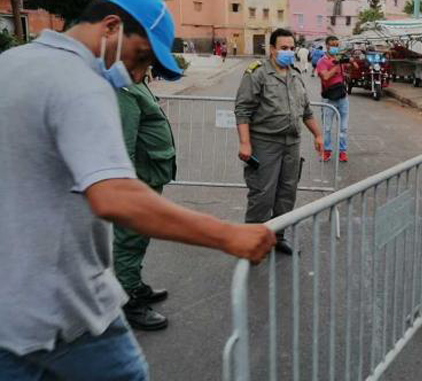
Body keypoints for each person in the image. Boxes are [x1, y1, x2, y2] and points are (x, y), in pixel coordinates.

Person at [0, 0, 275, 378]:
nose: (137, 74)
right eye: (141, 56)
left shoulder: (12, 64)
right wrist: (229, 235)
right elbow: (115, 195)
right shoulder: (83, 82)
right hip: (64, 308)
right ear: (111, 27)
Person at [235, 28, 324, 256]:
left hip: (291, 144)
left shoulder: (294, 74)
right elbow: (243, 110)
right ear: (272, 49)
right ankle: (251, 242)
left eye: (291, 48)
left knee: (286, 193)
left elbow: (306, 111)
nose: (288, 52)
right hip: (265, 143)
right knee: (262, 195)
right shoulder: (257, 74)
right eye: (283, 48)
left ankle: (278, 237)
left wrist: (318, 135)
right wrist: (245, 143)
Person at [114, 81, 177, 331]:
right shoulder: (124, 88)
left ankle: (133, 284)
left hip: (149, 174)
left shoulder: (136, 83)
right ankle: (128, 300)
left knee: (140, 237)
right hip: (138, 179)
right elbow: (125, 143)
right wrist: (129, 186)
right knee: (130, 238)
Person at [316, 35, 355, 163]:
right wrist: (337, 66)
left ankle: (342, 152)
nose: (335, 47)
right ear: (327, 46)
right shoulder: (322, 61)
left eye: (337, 45)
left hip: (343, 97)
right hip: (328, 99)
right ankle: (327, 151)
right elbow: (325, 77)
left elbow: (353, 69)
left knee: (343, 127)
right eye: (333, 45)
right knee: (327, 127)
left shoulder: (340, 58)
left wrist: (351, 63)